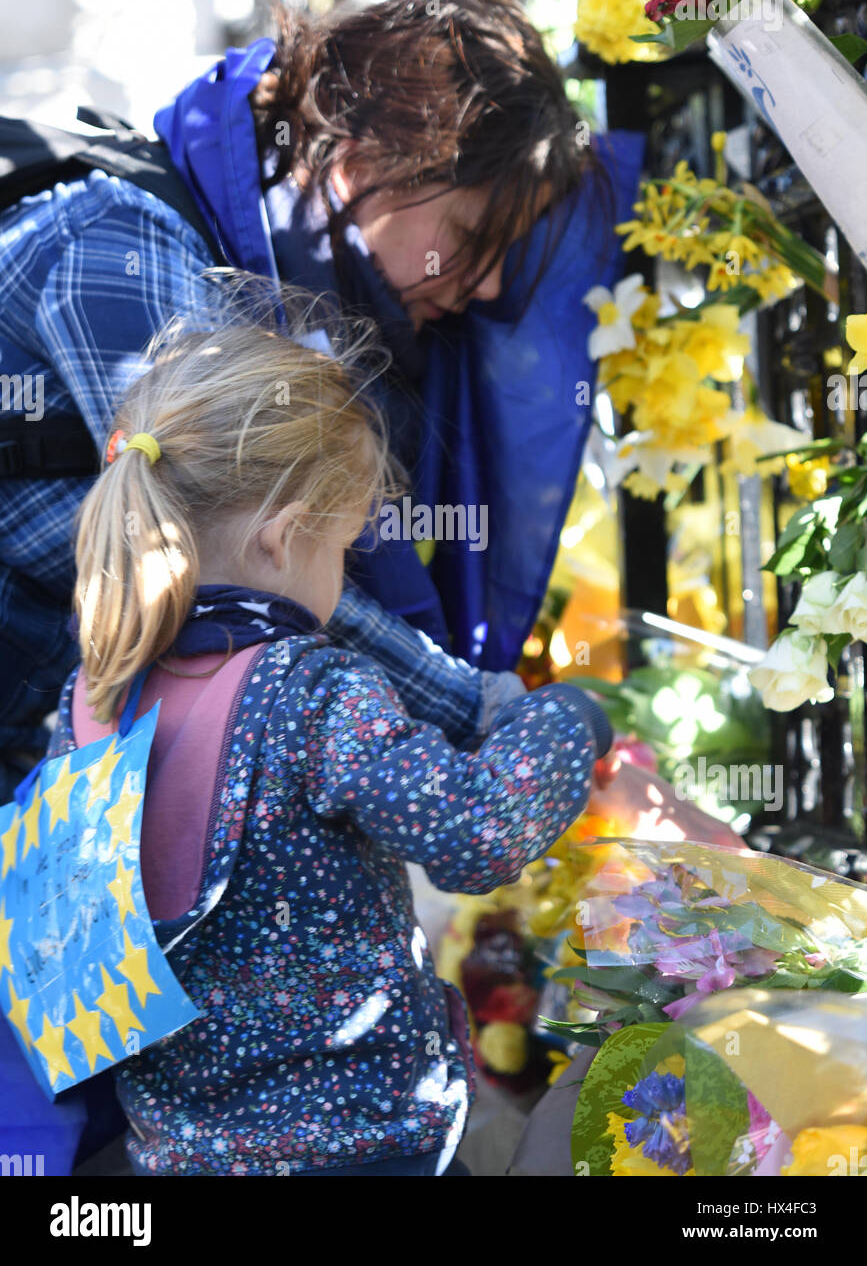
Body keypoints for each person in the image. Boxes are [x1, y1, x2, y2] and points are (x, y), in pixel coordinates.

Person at [0, 0, 645, 798]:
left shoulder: (271, 300)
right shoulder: (123, 248)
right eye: (473, 236)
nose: (485, 287)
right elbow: (233, 558)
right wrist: (498, 720)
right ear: (368, 151)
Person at [43, 292, 623, 1176]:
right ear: (283, 540)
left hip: (173, 1155)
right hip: (357, 1151)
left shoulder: (91, 699)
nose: (339, 583)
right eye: (341, 550)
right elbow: (477, 832)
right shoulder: (308, 690)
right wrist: (566, 719)